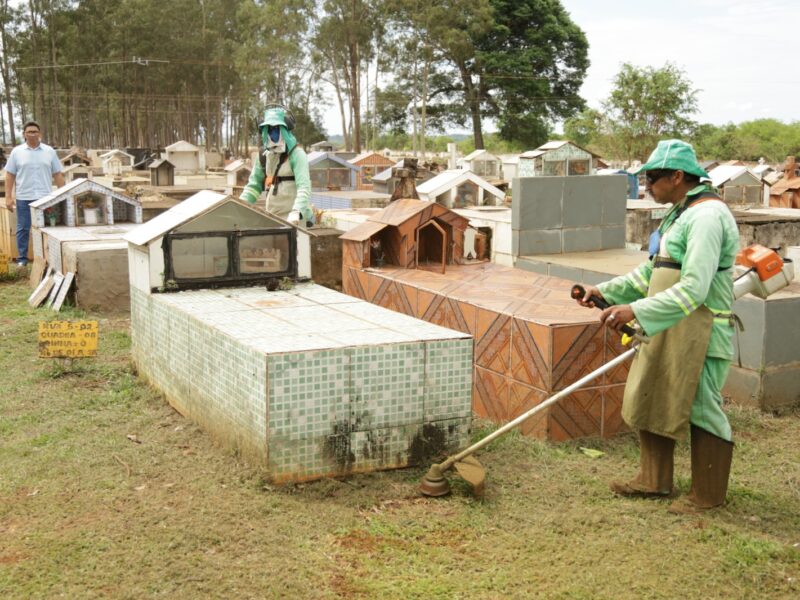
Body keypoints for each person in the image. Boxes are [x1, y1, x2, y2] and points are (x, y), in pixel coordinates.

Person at [575, 139, 740, 513]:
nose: (647, 187)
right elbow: (653, 271)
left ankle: (708, 496)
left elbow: (696, 288)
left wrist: (636, 310)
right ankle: (653, 480)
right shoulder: (681, 213)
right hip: (665, 323)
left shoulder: (708, 217)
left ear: (678, 176)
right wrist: (603, 290)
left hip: (701, 329)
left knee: (701, 407)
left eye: (652, 179)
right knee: (650, 393)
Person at [4, 121, 65, 266]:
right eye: (29, 132)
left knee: (48, 228)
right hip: (24, 197)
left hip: (46, 198)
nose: (32, 134)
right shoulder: (17, 152)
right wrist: (8, 196)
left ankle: (49, 259)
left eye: (35, 131)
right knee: (23, 228)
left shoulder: (49, 151)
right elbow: (10, 175)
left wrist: (63, 195)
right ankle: (22, 260)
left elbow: (58, 174)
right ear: (24, 134)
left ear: (40, 134)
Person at [240, 106, 312, 226]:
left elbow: (304, 187)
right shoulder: (264, 156)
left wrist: (296, 211)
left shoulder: (297, 155)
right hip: (272, 217)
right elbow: (253, 186)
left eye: (276, 129)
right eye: (269, 130)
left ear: (285, 129)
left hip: (295, 218)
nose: (272, 134)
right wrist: (241, 204)